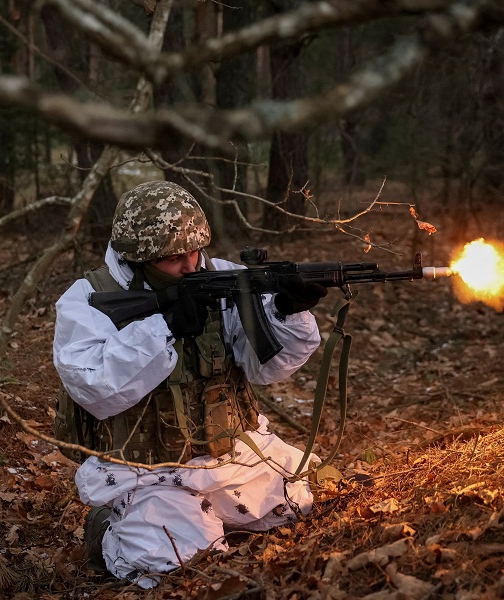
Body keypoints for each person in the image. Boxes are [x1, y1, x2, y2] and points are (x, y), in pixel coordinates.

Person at [51, 180, 328, 588]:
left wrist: (285, 312)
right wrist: (164, 327)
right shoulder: (89, 298)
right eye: (173, 258)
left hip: (235, 455)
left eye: (194, 251)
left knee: (316, 500)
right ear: (139, 257)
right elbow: (93, 386)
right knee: (180, 567)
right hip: (147, 470)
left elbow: (266, 369)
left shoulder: (221, 277)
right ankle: (110, 527)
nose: (190, 264)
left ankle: (215, 517)